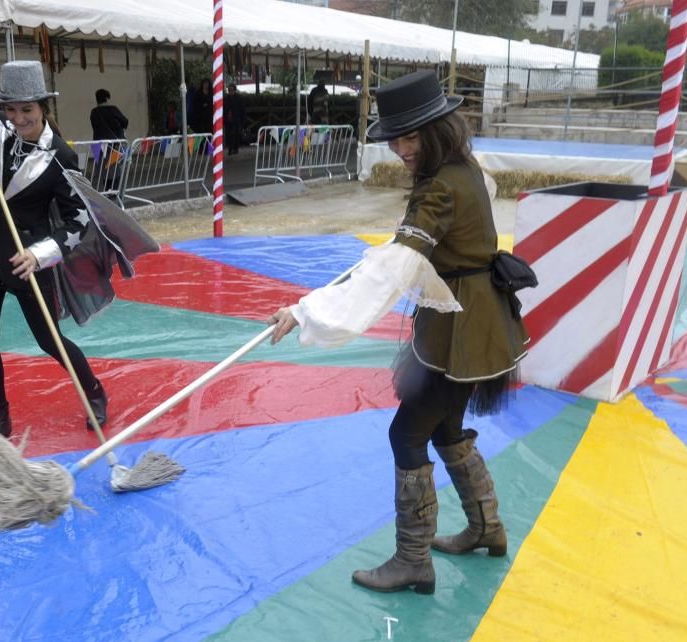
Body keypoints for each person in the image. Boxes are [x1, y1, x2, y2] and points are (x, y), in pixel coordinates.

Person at [267, 71, 528, 595]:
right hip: (475, 320)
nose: (401, 148)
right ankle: (486, 528)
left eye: (411, 136)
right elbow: (418, 244)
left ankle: (413, 560)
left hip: (462, 328)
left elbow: (395, 268)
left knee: (405, 433)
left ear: (438, 128)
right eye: (395, 137)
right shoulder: (463, 168)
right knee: (444, 428)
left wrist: (307, 310)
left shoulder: (440, 188)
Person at [0, 60, 108, 437]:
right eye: (10, 108)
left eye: (27, 110)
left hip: (28, 260)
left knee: (50, 340)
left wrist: (41, 254)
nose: (17, 118)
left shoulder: (63, 157)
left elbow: (79, 222)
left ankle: (95, 392)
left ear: (43, 108)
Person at [224, 83, 246, 156]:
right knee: (229, 134)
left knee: (235, 134)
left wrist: (242, 120)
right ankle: (230, 149)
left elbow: (242, 109)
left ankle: (235, 148)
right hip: (228, 119)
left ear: (234, 90)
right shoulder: (226, 98)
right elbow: (224, 109)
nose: (231, 92)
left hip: (236, 119)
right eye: (229, 90)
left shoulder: (238, 98)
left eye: (232, 90)